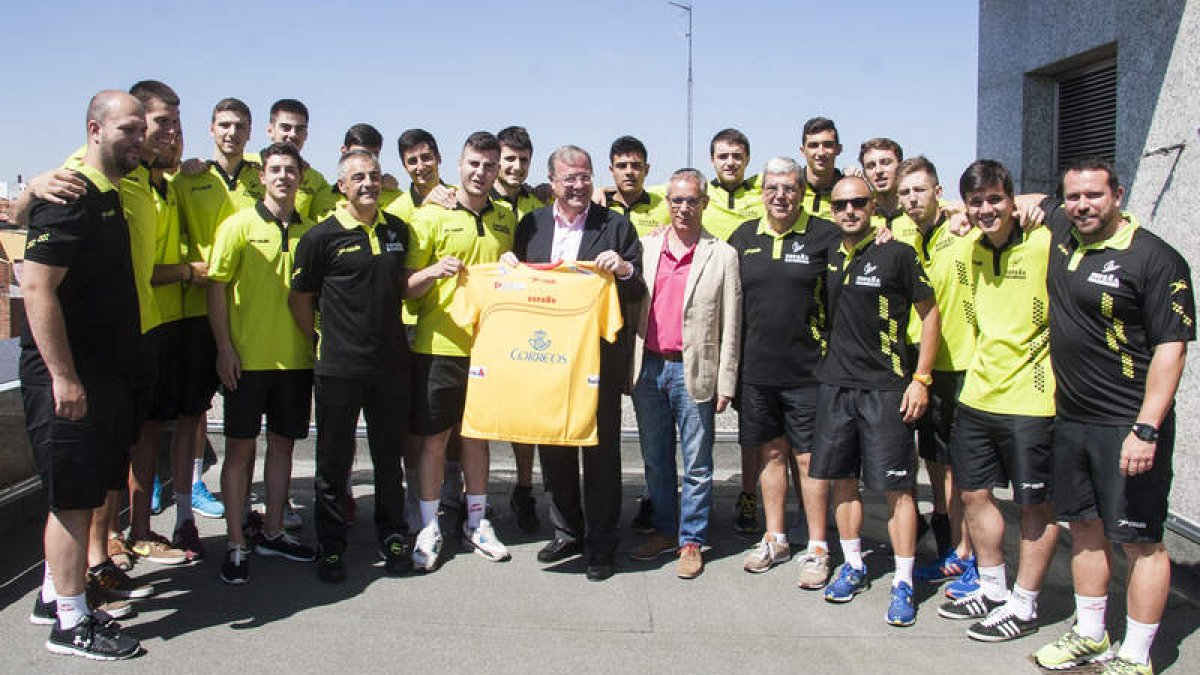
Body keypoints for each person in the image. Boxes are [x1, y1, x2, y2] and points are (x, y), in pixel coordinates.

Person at [1032, 159, 1194, 675]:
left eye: (1094, 196)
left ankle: (1136, 654)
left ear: (1118, 195)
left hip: (1128, 424)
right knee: (1085, 528)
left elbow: (1172, 349)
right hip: (1072, 420)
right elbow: (1025, 202)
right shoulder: (1063, 226)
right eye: (1074, 196)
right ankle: (1090, 633)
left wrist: (1146, 428)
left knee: (1140, 541)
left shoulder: (1156, 259)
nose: (1083, 205)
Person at [21, 89, 145, 660]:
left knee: (79, 493)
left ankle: (55, 593)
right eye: (126, 130)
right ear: (94, 130)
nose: (137, 139)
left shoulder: (108, 193)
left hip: (102, 372)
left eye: (141, 130)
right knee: (71, 502)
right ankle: (71, 625)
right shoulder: (69, 195)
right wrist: (63, 378)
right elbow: (36, 287)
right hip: (71, 378)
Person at [933, 160, 1058, 643]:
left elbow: (1084, 212)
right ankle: (991, 586)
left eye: (995, 200)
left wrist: (1042, 201)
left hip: (1032, 398)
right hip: (979, 393)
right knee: (974, 494)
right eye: (976, 202)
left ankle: (1024, 605)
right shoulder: (968, 248)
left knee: (1033, 505)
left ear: (1012, 199)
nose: (986, 210)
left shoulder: (1044, 242)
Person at [810, 175, 940, 627]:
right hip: (836, 387)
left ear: (873, 207)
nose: (850, 210)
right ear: (831, 208)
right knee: (842, 481)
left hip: (887, 387)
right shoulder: (824, 250)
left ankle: (903, 580)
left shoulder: (897, 253)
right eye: (842, 203)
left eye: (859, 202)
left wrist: (920, 379)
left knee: (897, 489)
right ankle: (853, 564)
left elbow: (930, 316)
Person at [511, 145, 644, 581]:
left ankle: (602, 544)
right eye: (569, 177)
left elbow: (638, 285)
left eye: (585, 176)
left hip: (597, 357)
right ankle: (568, 530)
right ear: (551, 182)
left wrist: (623, 268)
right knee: (554, 447)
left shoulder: (616, 225)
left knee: (601, 452)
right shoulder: (531, 225)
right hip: (546, 357)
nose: (578, 184)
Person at [290, 149, 416, 583]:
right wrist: (321, 342)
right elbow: (300, 299)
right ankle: (330, 544)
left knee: (388, 458)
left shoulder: (398, 230)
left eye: (375, 176)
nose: (368, 183)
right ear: (341, 186)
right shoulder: (319, 237)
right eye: (358, 177)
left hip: (391, 367)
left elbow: (402, 287)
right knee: (333, 462)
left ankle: (394, 533)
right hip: (339, 368)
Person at [207, 143, 318, 584]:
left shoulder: (314, 232)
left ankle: (272, 530)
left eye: (291, 170)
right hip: (247, 360)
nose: (283, 177)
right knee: (240, 450)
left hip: (295, 360)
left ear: (301, 176)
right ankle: (236, 542)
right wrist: (223, 347)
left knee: (285, 447)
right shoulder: (237, 226)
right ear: (262, 176)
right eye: (275, 170)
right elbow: (216, 288)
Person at [406, 132, 517, 571]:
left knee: (477, 436)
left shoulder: (506, 217)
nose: (481, 172)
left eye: (490, 166)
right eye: (474, 164)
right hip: (439, 345)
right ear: (459, 164)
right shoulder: (430, 215)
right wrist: (433, 270)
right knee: (434, 439)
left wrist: (515, 268)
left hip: (488, 347)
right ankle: (429, 525)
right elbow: (406, 288)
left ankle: (476, 520)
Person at [728, 157, 839, 585]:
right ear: (762, 192)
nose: (781, 196)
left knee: (809, 459)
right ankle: (774, 538)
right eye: (773, 187)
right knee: (770, 455)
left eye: (789, 188)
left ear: (802, 191)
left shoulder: (824, 235)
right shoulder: (743, 237)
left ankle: (816, 547)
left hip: (809, 371)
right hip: (757, 371)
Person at [627, 168, 741, 579]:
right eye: (677, 200)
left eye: (692, 200)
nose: (684, 208)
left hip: (694, 370)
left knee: (696, 463)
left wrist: (725, 380)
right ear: (667, 203)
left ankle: (691, 540)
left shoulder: (722, 255)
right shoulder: (647, 247)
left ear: (704, 204)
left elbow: (731, 323)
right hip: (650, 368)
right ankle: (662, 529)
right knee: (655, 460)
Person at [893, 157, 978, 596]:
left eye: (919, 191)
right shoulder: (901, 231)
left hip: (961, 364)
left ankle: (970, 555)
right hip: (916, 364)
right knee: (937, 464)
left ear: (938, 191)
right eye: (905, 193)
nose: (911, 200)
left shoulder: (965, 232)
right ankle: (952, 551)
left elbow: (1026, 207)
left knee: (965, 469)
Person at [490, 125, 546, 534]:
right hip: (484, 320)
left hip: (526, 319)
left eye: (523, 160)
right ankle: (463, 495)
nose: (515, 166)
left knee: (526, 412)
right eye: (509, 159)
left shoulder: (537, 200)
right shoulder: (468, 198)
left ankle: (524, 488)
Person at [605, 135, 670, 237]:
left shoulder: (667, 208)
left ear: (646, 170)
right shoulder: (598, 206)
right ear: (611, 170)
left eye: (636, 166)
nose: (629, 172)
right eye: (622, 166)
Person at [799, 117, 844, 221]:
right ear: (803, 151)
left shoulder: (849, 193)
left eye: (828, 145)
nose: (821, 152)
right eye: (813, 146)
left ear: (839, 149)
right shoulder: (790, 189)